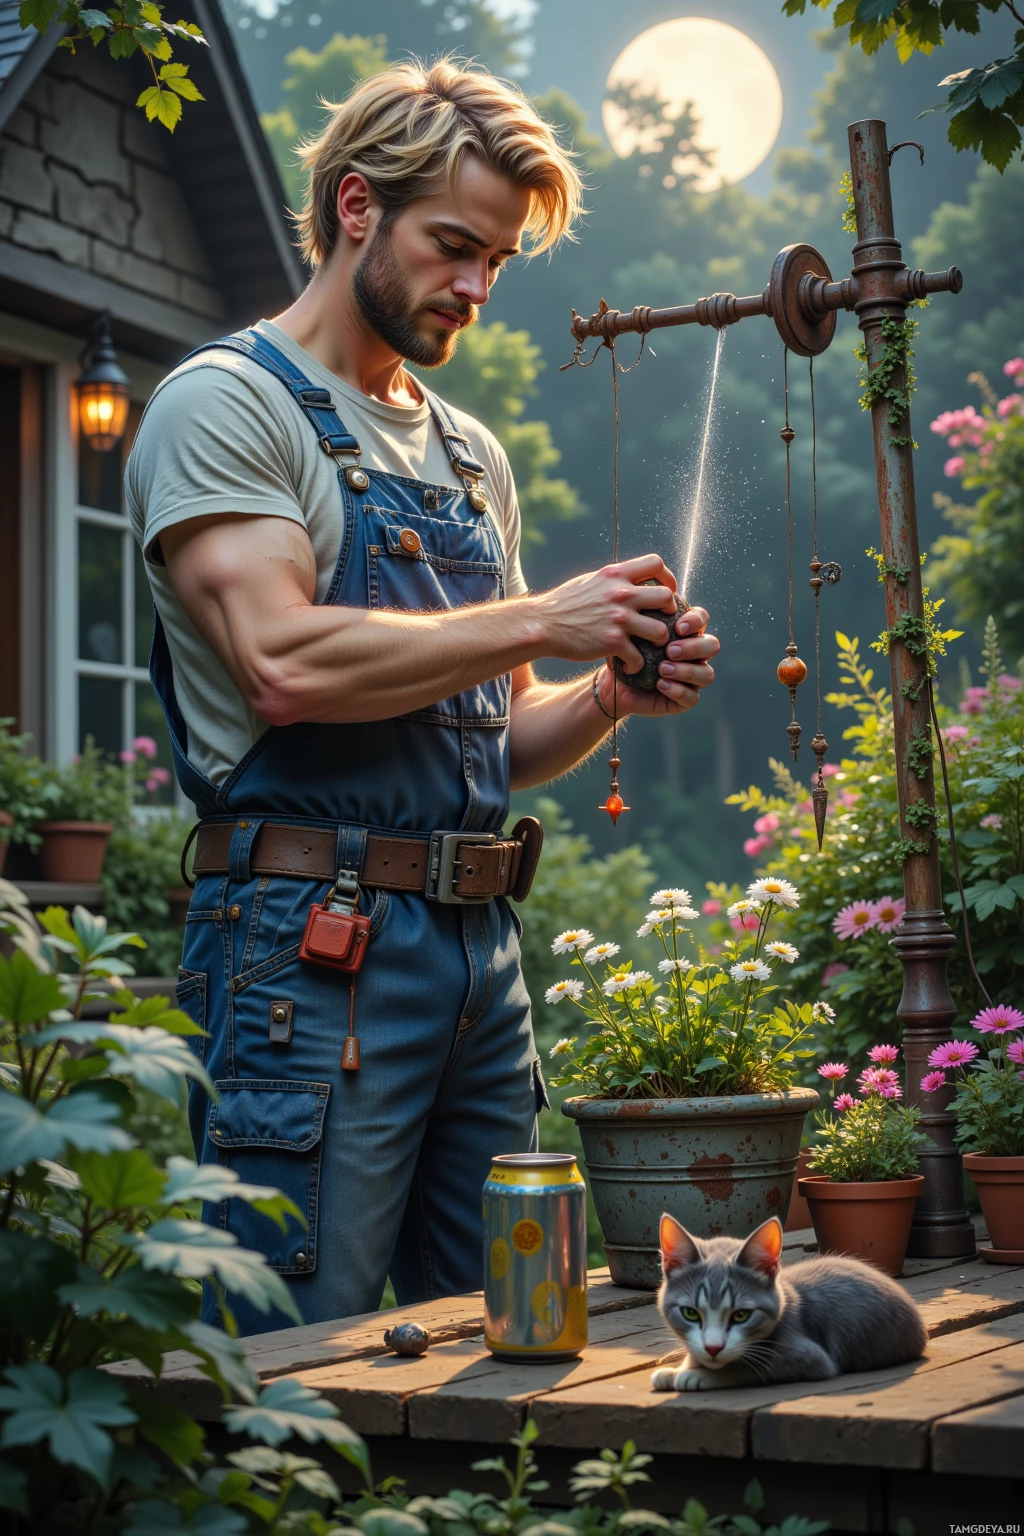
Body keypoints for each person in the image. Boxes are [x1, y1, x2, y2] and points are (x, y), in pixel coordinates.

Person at [127, 58, 720, 1334]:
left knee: (513, 1329)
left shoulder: (466, 452)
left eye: (497, 260)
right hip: (306, 954)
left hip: (477, 962)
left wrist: (610, 695)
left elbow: (496, 740)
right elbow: (282, 665)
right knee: (293, 1350)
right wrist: (543, 616)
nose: (476, 288)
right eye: (454, 245)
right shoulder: (225, 406)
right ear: (354, 207)